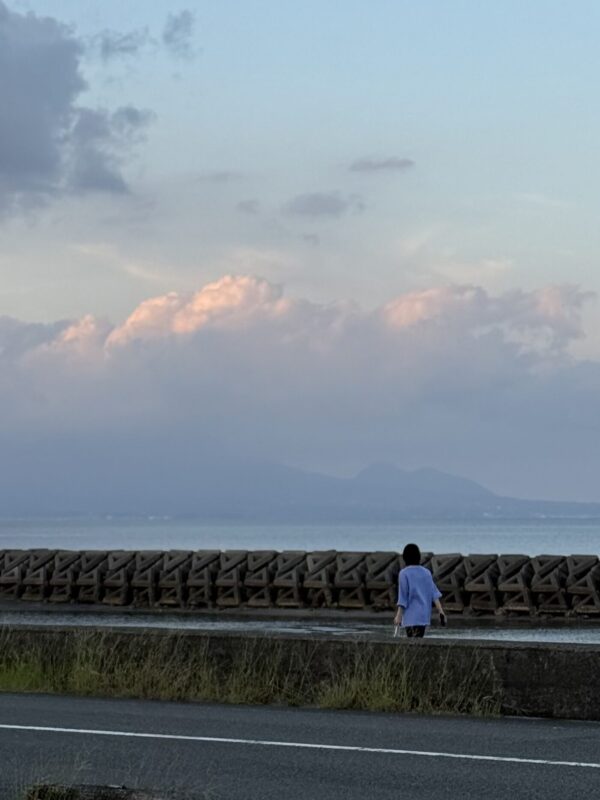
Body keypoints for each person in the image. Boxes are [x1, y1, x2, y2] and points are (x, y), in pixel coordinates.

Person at [393, 543, 446, 638]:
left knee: (412, 642)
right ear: (418, 557)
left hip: (410, 616)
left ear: (405, 557)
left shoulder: (404, 573)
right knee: (418, 640)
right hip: (423, 615)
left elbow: (403, 598)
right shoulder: (427, 572)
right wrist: (441, 611)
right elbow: (434, 594)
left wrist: (399, 615)